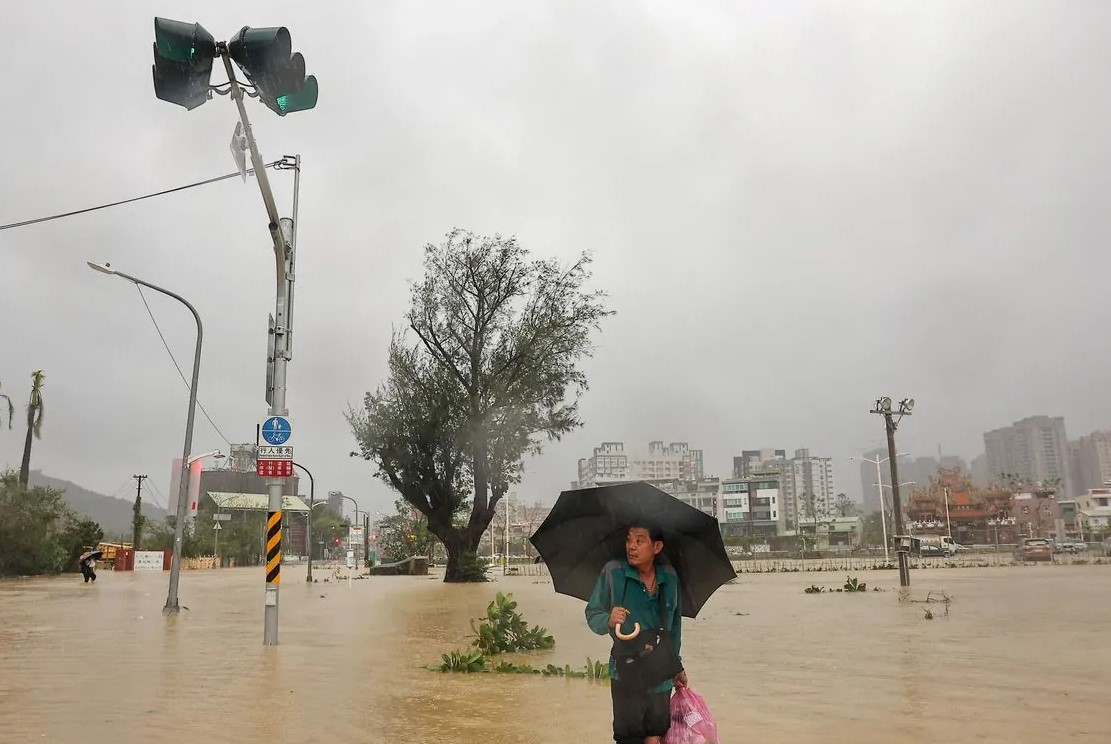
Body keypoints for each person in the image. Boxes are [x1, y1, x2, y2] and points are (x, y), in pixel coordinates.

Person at [586, 522, 687, 744]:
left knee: (656, 735)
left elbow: (675, 626)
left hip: (660, 669)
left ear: (657, 546)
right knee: (629, 737)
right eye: (628, 540)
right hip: (626, 668)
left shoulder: (669, 577)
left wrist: (676, 665)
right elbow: (593, 614)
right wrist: (609, 620)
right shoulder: (613, 572)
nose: (631, 546)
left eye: (639, 541)